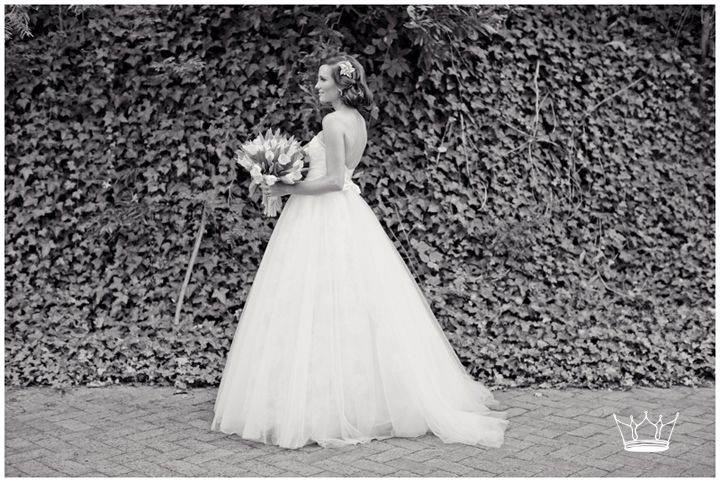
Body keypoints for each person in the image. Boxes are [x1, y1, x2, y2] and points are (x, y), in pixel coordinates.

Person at [211, 54, 509, 449]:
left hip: (322, 213)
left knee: (313, 300)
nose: (317, 86)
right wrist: (281, 171)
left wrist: (285, 187)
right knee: (350, 301)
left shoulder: (333, 122)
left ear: (341, 85)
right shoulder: (359, 121)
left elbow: (335, 180)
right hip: (346, 213)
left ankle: (316, 407)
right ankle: (357, 400)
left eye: (323, 80)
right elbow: (338, 174)